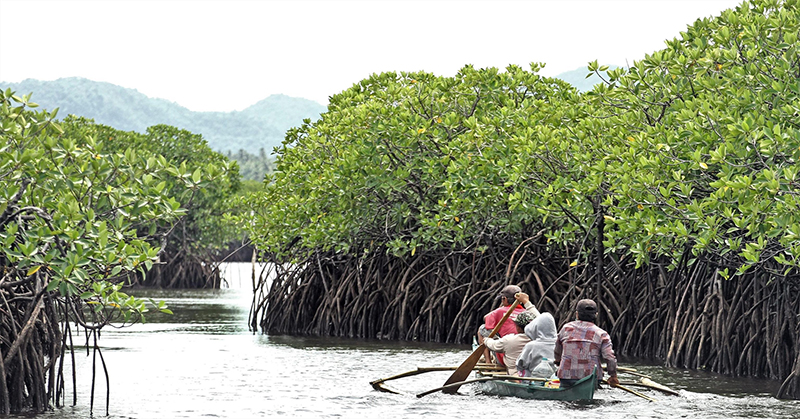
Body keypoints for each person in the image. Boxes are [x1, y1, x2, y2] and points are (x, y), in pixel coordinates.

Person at [553, 299, 619, 388]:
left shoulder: (566, 329)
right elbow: (609, 357)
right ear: (596, 315)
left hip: (566, 375)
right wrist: (613, 375)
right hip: (591, 376)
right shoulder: (601, 334)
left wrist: (558, 361)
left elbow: (557, 350)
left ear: (577, 314)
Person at [478, 287, 540, 368]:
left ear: (505, 299)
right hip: (526, 359)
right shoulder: (527, 314)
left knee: (482, 329)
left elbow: (486, 318)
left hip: (505, 358)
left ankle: (488, 362)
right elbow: (540, 319)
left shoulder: (499, 311)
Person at [483, 310, 537, 376]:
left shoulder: (509, 339)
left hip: (515, 375)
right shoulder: (540, 340)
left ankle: (488, 361)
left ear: (518, 328)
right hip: (535, 374)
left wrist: (486, 340)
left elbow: (493, 345)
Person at [516, 312, 557, 378]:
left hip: (534, 381)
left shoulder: (531, 346)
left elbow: (520, 365)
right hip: (554, 381)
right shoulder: (559, 344)